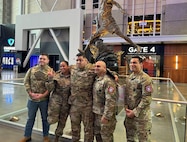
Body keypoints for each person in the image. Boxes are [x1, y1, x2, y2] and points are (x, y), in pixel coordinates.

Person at [68, 52, 118, 142]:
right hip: (75, 105)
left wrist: (114, 75)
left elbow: (104, 69)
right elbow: (63, 70)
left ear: (86, 61)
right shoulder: (73, 69)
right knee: (75, 128)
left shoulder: (92, 69)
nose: (78, 62)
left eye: (81, 60)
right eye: (77, 60)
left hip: (87, 106)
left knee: (89, 130)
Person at [20, 53, 53, 142]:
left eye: (44, 59)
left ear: (48, 61)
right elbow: (26, 81)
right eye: (40, 58)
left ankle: (46, 136)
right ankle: (27, 136)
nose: (42, 60)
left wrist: (43, 95)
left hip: (44, 100)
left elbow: (51, 87)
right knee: (30, 119)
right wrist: (30, 93)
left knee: (45, 119)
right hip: (32, 99)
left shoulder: (51, 72)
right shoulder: (32, 70)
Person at [124, 56, 153, 142]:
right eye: (131, 62)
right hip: (130, 116)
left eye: (135, 62)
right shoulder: (129, 78)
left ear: (141, 64)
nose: (132, 64)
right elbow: (126, 95)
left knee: (143, 139)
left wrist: (135, 112)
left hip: (141, 118)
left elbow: (147, 99)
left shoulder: (145, 79)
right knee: (130, 138)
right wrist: (126, 107)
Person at [92, 61, 117, 142]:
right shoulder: (97, 79)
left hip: (105, 116)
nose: (96, 68)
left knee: (106, 138)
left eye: (98, 66)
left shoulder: (108, 81)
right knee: (98, 136)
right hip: (97, 114)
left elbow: (111, 101)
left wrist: (106, 116)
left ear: (104, 69)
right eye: (95, 66)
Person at [47, 61, 71, 142]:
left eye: (64, 66)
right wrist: (50, 78)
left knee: (62, 122)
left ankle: (57, 137)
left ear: (68, 66)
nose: (62, 68)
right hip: (55, 103)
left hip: (66, 104)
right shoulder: (56, 75)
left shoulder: (73, 77)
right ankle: (45, 135)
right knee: (50, 119)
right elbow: (50, 88)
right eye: (60, 66)